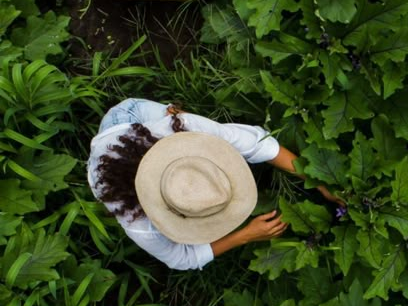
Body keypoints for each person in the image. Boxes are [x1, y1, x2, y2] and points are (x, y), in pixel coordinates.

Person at [87, 98, 342, 270]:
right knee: (185, 122)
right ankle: (172, 111)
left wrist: (316, 180)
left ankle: (172, 110)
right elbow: (181, 259)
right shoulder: (137, 220)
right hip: (116, 135)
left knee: (178, 117)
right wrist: (245, 236)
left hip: (137, 118)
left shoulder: (185, 129)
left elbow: (258, 144)